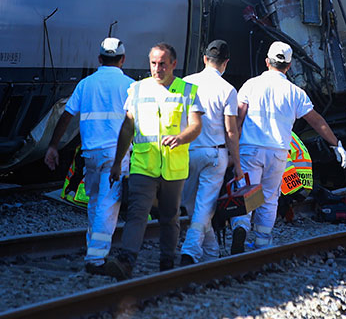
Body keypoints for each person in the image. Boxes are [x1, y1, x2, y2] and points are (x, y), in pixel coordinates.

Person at [231, 42, 346, 253]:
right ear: (289, 66)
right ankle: (262, 241)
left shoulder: (250, 85)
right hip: (277, 151)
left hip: (250, 148)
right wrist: (336, 144)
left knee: (247, 192)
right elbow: (316, 120)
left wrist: (231, 146)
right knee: (269, 197)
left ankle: (240, 227)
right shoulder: (295, 92)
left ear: (267, 62)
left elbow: (238, 117)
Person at [104, 43, 204, 279]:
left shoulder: (187, 90)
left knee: (170, 218)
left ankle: (166, 264)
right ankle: (126, 260)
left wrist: (180, 138)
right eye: (153, 63)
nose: (157, 68)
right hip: (143, 165)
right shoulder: (137, 90)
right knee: (138, 213)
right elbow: (128, 127)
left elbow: (196, 126)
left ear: (173, 64)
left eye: (162, 64)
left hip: (173, 168)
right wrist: (118, 162)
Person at [44, 37, 134, 275]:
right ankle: (96, 259)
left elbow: (66, 115)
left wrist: (53, 146)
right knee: (108, 205)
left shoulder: (86, 84)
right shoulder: (130, 86)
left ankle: (93, 250)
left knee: (95, 202)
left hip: (90, 153)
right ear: (123, 60)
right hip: (116, 155)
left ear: (99, 59)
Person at [179, 40, 244, 265]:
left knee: (193, 207)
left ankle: (211, 253)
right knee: (204, 207)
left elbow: (175, 118)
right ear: (225, 63)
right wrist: (237, 163)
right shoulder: (228, 90)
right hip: (215, 155)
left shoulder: (184, 83)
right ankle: (190, 249)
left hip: (187, 152)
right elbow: (230, 131)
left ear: (204, 59)